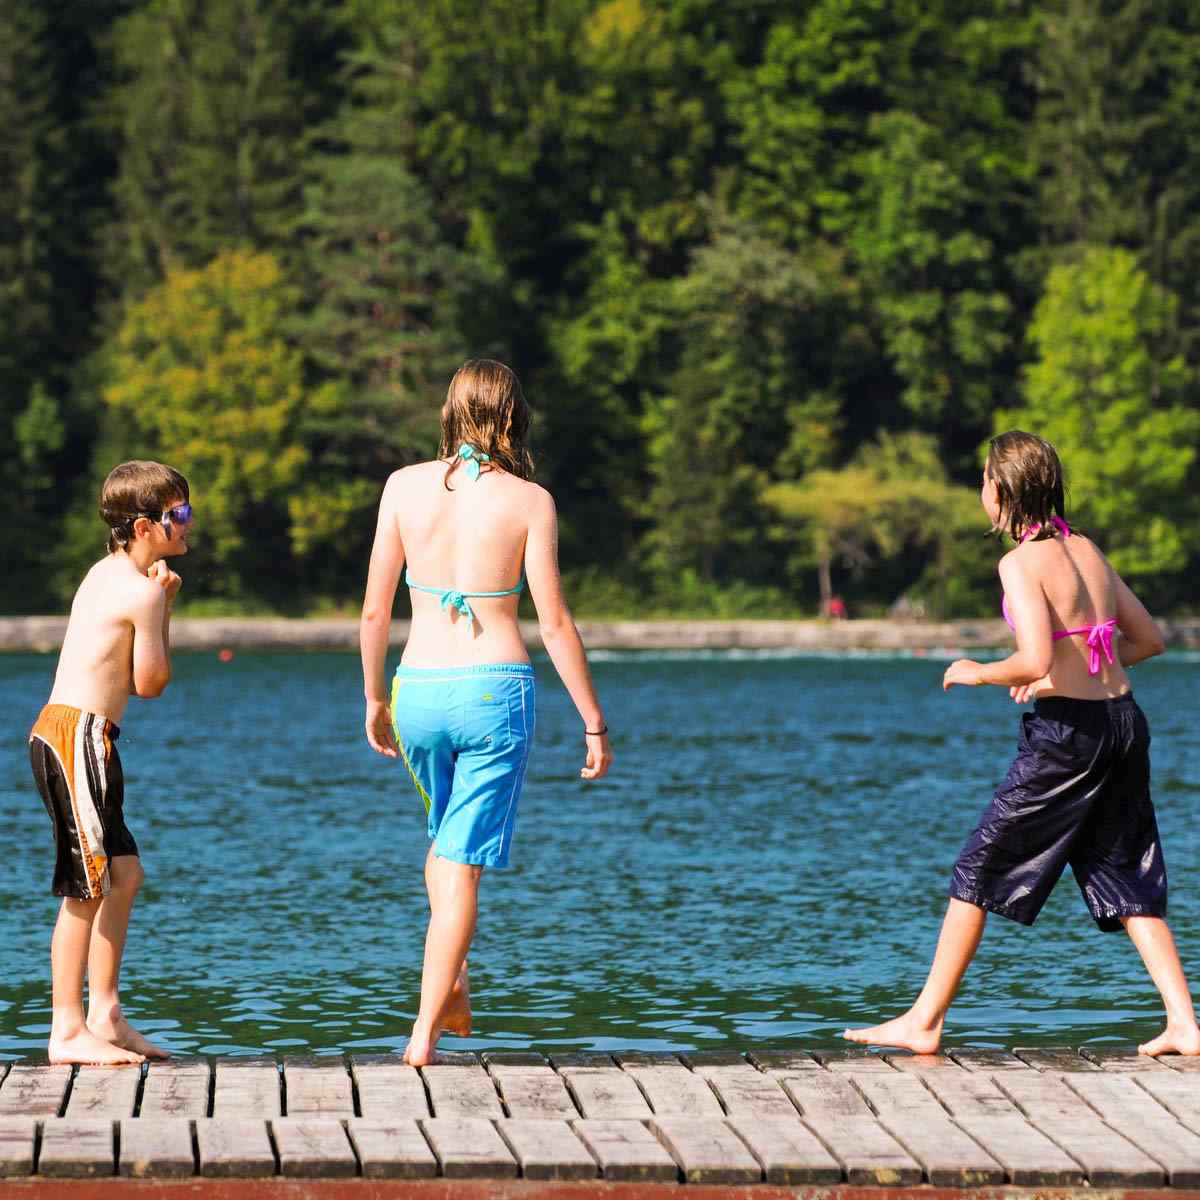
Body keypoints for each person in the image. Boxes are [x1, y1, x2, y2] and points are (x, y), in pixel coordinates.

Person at [845, 430, 1200, 1057]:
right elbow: (1146, 641)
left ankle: (924, 1021)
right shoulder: (1086, 550)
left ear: (1001, 490)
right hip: (1122, 724)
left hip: (1067, 736)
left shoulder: (1019, 563)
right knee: (1124, 869)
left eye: (984, 478)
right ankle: (1184, 1023)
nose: (981, 489)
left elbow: (1035, 652)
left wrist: (978, 670)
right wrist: (1056, 671)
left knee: (978, 867)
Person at [359, 359, 612, 1066]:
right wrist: (592, 720)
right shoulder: (530, 501)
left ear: (449, 410)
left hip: (419, 689)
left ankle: (455, 982)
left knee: (442, 843)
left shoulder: (402, 487)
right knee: (462, 861)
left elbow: (376, 607)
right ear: (512, 418)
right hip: (493, 690)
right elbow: (555, 623)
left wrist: (374, 695)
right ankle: (423, 1032)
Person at [30, 460, 192, 1064]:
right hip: (78, 739)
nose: (188, 525)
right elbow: (150, 682)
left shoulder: (106, 571)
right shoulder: (142, 590)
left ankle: (106, 1012)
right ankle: (67, 1028)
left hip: (80, 739)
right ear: (145, 526)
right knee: (88, 886)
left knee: (124, 877)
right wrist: (163, 608)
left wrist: (157, 599)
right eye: (179, 515)